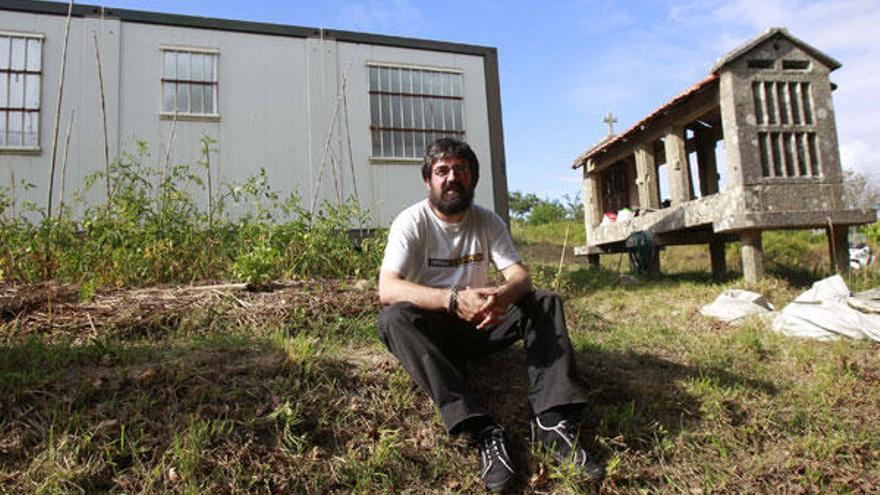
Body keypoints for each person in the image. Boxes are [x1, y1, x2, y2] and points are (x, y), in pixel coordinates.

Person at [377, 138, 603, 492]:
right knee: (393, 318)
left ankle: (552, 420)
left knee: (542, 301)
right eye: (442, 171)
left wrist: (503, 295)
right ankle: (481, 427)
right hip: (433, 333)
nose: (452, 178)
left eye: (461, 170)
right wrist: (452, 299)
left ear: (473, 180)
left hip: (482, 324)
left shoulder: (487, 221)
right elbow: (387, 288)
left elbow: (521, 276)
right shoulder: (412, 222)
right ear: (428, 181)